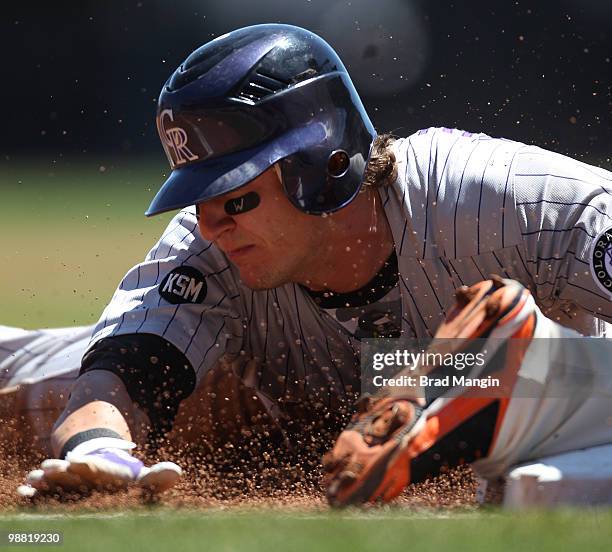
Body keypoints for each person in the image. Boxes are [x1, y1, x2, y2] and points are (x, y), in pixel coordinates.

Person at [5, 23, 611, 499]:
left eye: (235, 195)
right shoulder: (206, 250)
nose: (210, 223)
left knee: (551, 386)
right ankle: (508, 381)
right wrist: (99, 452)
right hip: (244, 405)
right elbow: (117, 377)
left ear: (324, 165)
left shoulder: (490, 198)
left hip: (562, 395)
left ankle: (528, 378)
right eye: (198, 199)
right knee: (36, 398)